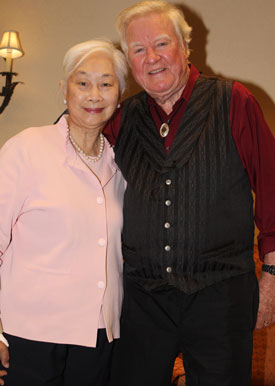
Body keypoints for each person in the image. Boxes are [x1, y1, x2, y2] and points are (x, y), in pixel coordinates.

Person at [103, 1, 275, 385]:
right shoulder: (120, 117)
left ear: (184, 47)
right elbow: (75, 153)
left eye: (161, 44)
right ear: (128, 60)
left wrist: (273, 274)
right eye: (138, 49)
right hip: (142, 299)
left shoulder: (234, 101)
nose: (152, 58)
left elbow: (271, 189)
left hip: (221, 296)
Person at [0, 38, 127, 386]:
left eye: (106, 83)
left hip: (100, 334)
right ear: (64, 89)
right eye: (82, 82)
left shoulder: (121, 164)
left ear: (120, 94)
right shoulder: (27, 148)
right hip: (31, 334)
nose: (94, 94)